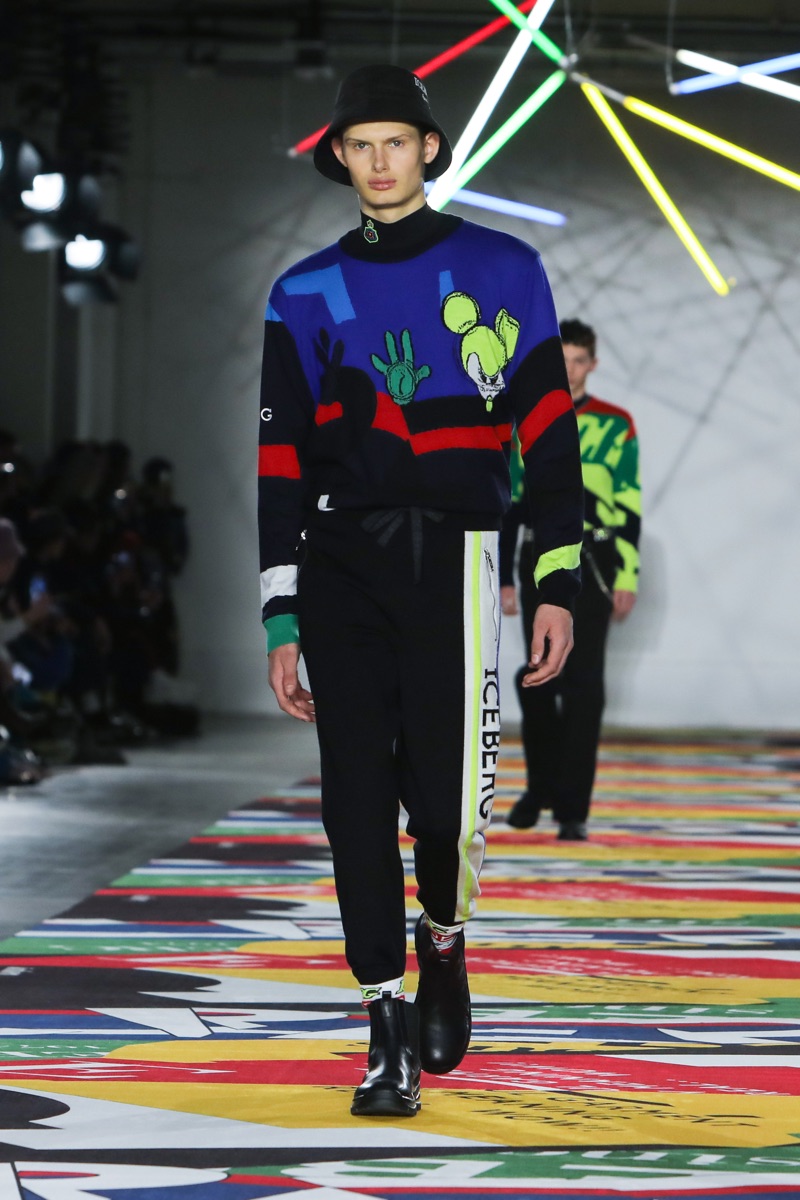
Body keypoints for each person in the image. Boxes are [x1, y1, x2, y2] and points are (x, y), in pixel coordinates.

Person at [257, 65, 584, 1117]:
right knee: (353, 800)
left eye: (396, 140)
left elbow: (549, 435)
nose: (380, 161)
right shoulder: (302, 292)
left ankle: (443, 938)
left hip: (460, 555)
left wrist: (555, 578)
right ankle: (382, 1022)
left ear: (429, 148)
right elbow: (279, 460)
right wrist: (280, 610)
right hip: (339, 561)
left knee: (449, 808)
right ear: (340, 157)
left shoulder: (503, 269)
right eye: (361, 145)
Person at [501, 318, 641, 841]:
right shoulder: (526, 419)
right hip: (538, 556)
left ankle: (571, 807)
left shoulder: (616, 423)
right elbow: (512, 501)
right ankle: (540, 788)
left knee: (584, 685)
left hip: (597, 561)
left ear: (592, 364)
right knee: (539, 675)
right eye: (561, 361)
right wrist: (505, 576)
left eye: (578, 360)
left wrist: (629, 574)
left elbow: (628, 503)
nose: (570, 370)